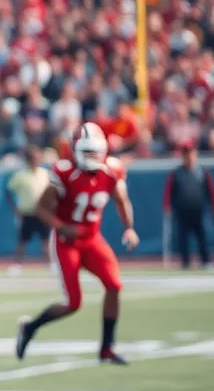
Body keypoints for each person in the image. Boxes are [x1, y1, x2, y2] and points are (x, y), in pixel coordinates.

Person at [16, 123, 139, 364]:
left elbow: (122, 200)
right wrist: (62, 226)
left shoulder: (112, 170)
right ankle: (31, 327)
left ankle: (107, 348)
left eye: (96, 151)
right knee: (73, 303)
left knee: (114, 285)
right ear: (75, 150)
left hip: (92, 239)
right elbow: (41, 209)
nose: (93, 157)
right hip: (66, 241)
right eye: (88, 152)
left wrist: (129, 228)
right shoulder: (64, 172)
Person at [163, 140, 214, 270]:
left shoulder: (202, 171)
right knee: (183, 238)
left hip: (199, 211)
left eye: (191, 152)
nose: (189, 156)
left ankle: (206, 261)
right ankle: (185, 262)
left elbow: (211, 190)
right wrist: (167, 207)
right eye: (186, 153)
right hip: (182, 211)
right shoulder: (176, 173)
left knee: (202, 237)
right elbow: (168, 192)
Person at [5, 145, 52, 274]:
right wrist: (15, 209)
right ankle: (16, 264)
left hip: (43, 213)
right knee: (22, 241)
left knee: (46, 240)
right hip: (27, 213)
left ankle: (50, 264)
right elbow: (9, 191)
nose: (35, 161)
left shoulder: (45, 174)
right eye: (32, 158)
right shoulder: (20, 175)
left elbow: (53, 192)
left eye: (37, 158)